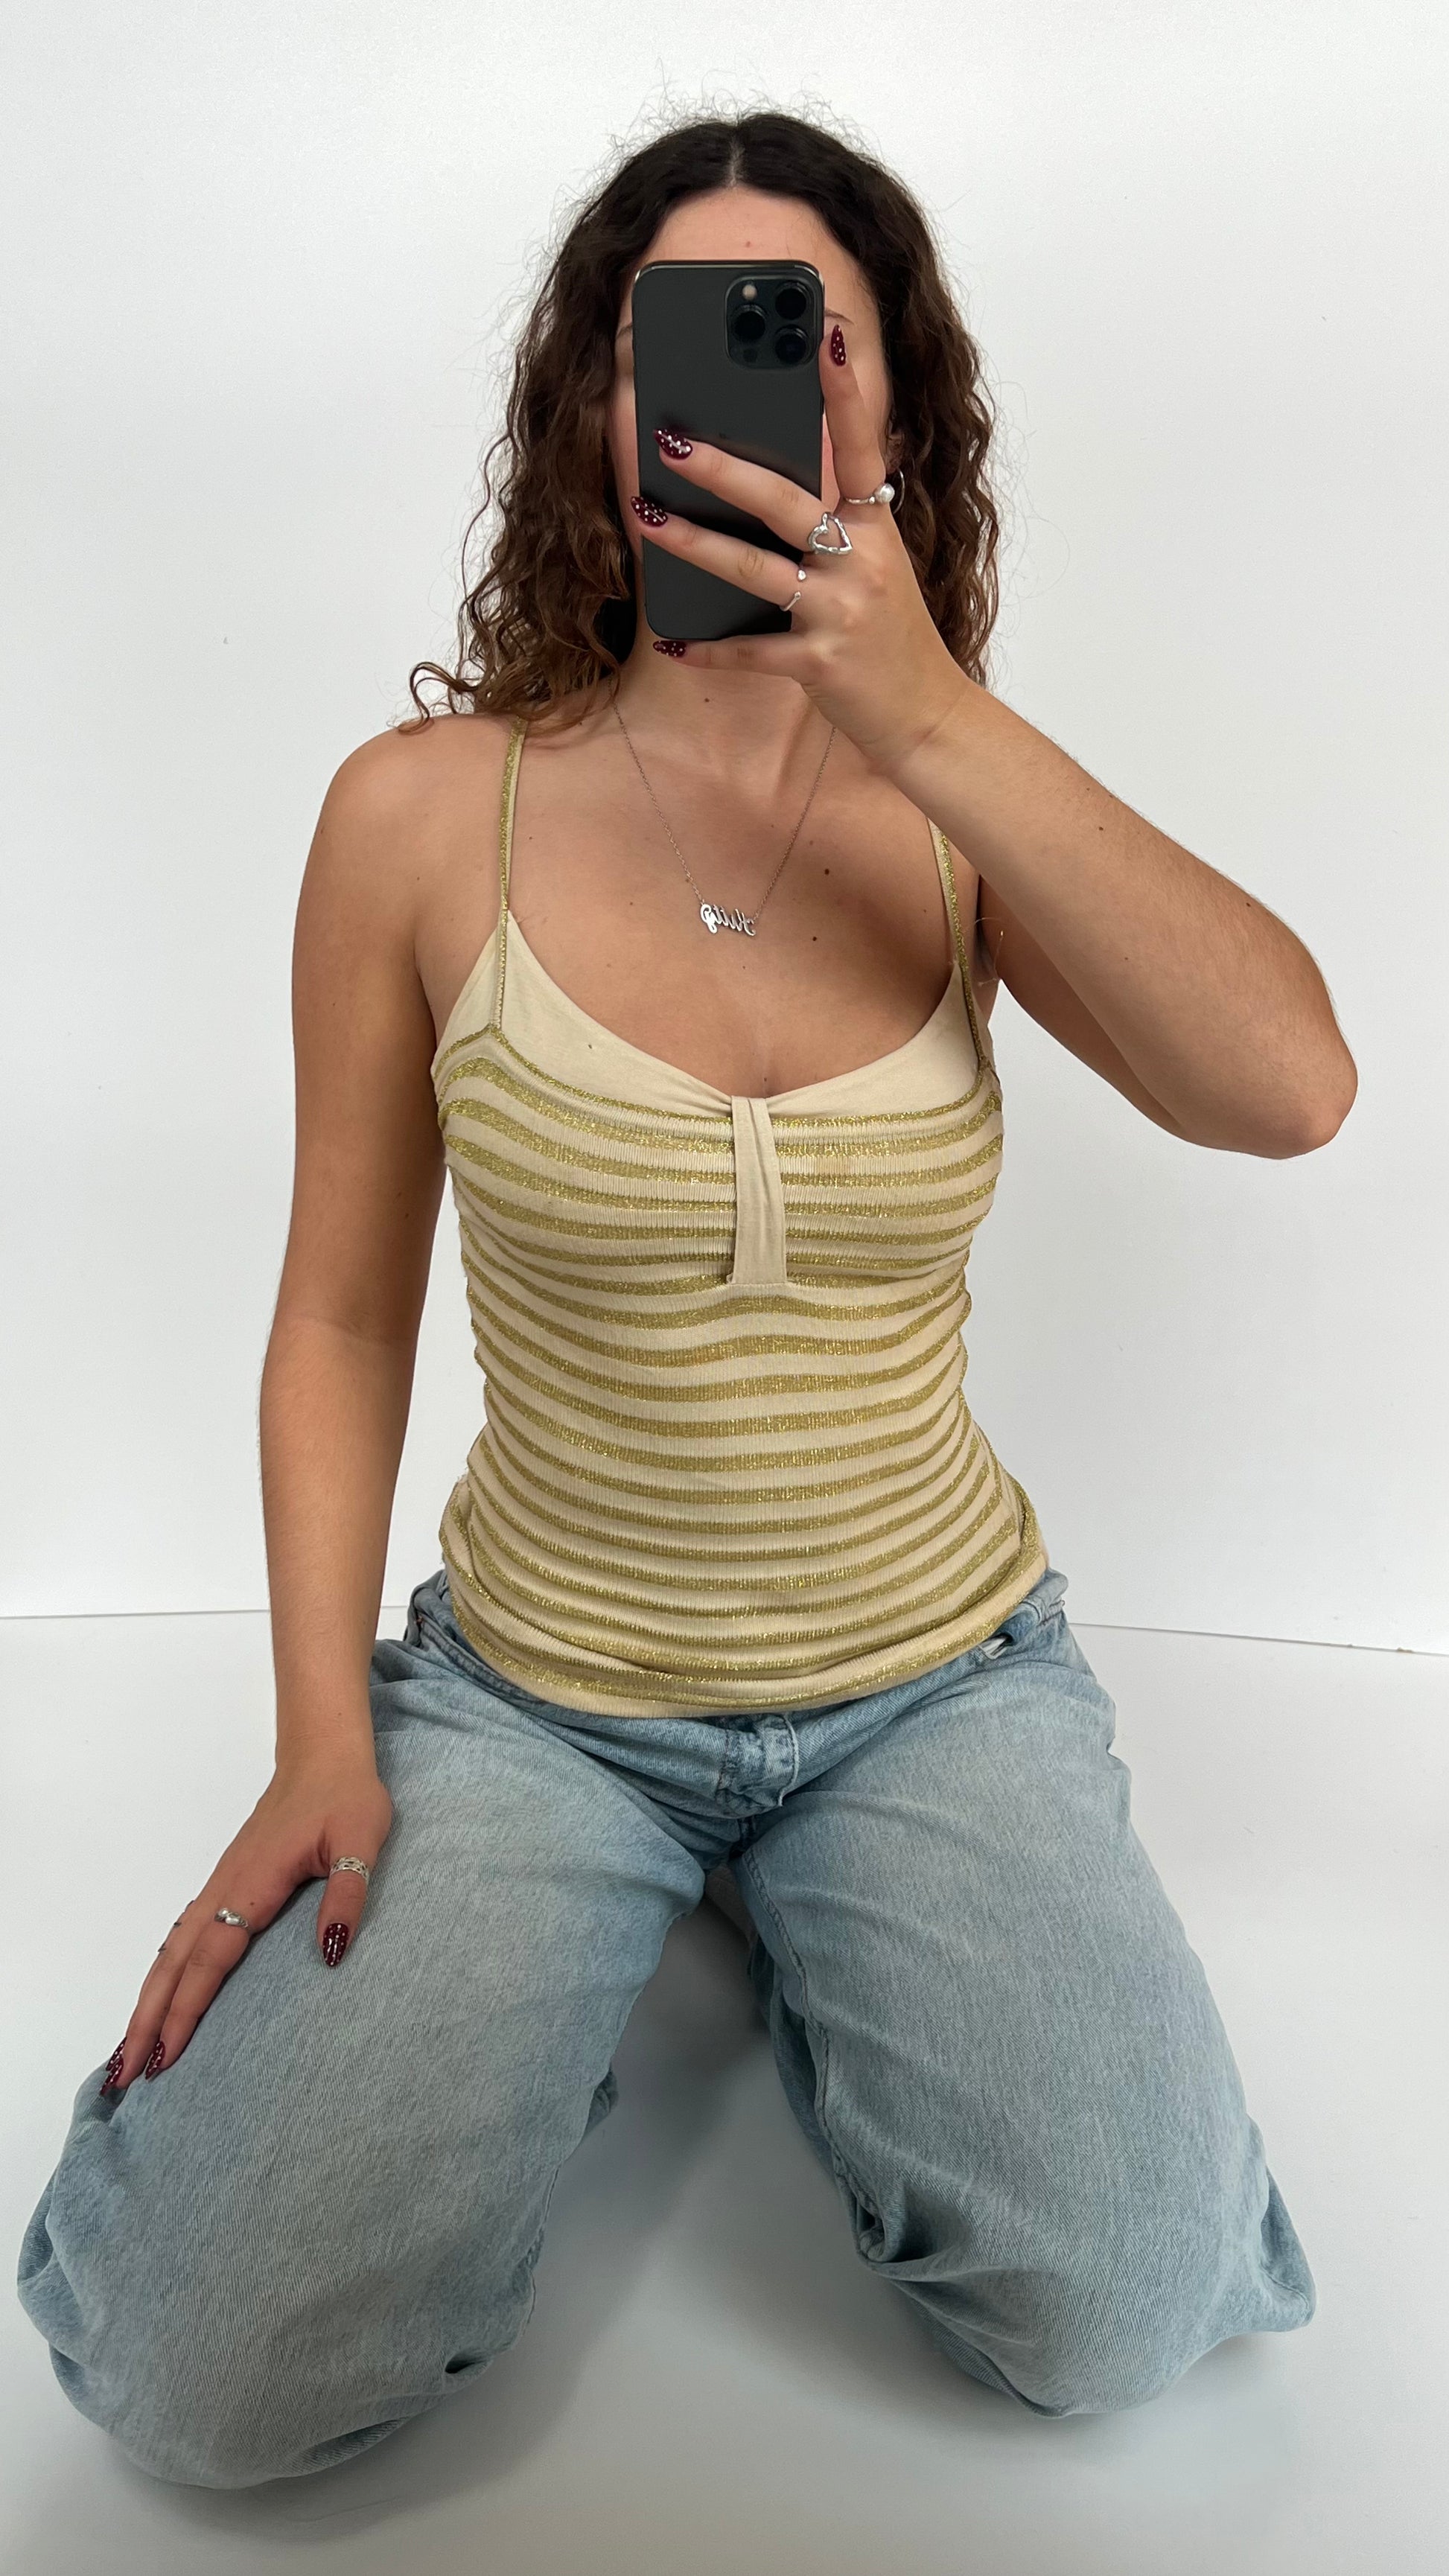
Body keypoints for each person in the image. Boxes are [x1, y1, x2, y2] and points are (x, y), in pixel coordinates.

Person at [17, 110, 1351, 2488]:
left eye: (805, 337)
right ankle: (610, 1947)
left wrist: (923, 712)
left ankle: (822, 1935)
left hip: (931, 1676)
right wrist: (322, 1733)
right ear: (592, 409)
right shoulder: (420, 813)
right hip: (542, 1699)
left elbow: (1290, 1089)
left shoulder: (966, 811)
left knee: (1119, 2310)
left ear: (895, 409)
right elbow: (340, 1314)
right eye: (684, 342)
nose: (746, 388)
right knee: (202, 2380)